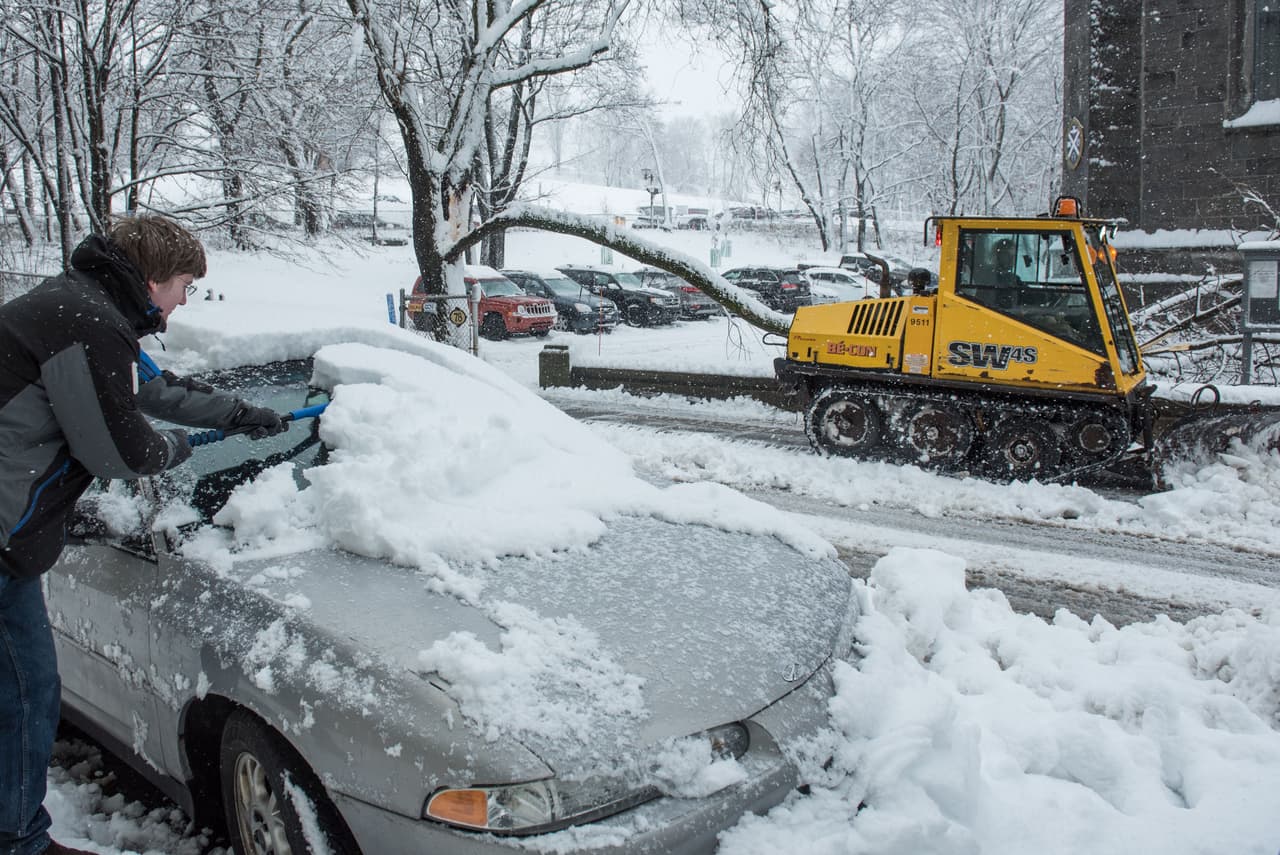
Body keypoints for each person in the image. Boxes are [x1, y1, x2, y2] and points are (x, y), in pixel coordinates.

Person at [0, 215, 284, 855]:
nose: (184, 299)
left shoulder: (83, 309)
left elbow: (153, 389)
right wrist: (183, 447)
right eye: (184, 284)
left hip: (8, 535)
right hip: (1, 537)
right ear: (152, 278)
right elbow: (122, 455)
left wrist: (242, 416)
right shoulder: (85, 319)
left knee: (21, 692)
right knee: (23, 696)